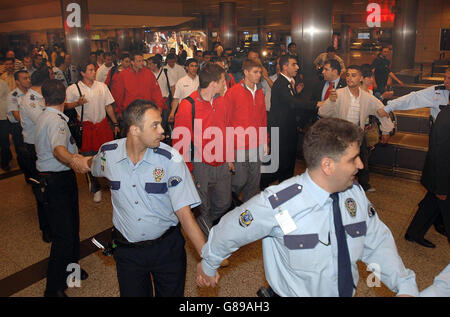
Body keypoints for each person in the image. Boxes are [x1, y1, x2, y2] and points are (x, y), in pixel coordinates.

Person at [197, 117, 419, 297]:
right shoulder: (280, 202)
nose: (361, 165)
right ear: (327, 165)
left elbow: (376, 242)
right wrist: (209, 263)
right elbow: (231, 229)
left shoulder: (355, 196)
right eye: (353, 159)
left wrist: (404, 284)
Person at [87, 99, 208, 297]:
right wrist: (72, 158)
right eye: (155, 125)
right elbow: (90, 164)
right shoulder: (108, 154)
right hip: (128, 253)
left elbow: (186, 215)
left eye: (160, 123)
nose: (162, 130)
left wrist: (207, 259)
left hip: (167, 249)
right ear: (134, 130)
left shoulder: (171, 159)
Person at [35, 79, 90, 297]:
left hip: (59, 178)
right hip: (57, 181)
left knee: (72, 228)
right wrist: (75, 161)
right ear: (64, 98)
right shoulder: (56, 121)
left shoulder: (45, 115)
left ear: (44, 98)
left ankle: (72, 271)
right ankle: (54, 287)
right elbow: (58, 149)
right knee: (64, 235)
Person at [172, 63, 232, 239]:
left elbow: (227, 128)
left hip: (221, 161)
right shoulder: (187, 105)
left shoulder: (222, 101)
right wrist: (187, 170)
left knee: (224, 202)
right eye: (223, 81)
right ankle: (209, 246)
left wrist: (229, 156)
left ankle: (201, 226)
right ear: (213, 83)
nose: (225, 85)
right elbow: (180, 143)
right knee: (202, 206)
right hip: (199, 164)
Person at [318, 65, 394, 192]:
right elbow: (322, 112)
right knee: (340, 163)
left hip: (358, 134)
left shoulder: (367, 97)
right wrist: (331, 101)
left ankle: (362, 185)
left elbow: (381, 110)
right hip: (340, 136)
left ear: (361, 78)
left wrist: (386, 130)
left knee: (361, 161)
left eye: (353, 75)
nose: (349, 78)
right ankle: (336, 187)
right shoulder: (338, 94)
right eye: (347, 75)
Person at [65, 63, 119, 203]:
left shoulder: (102, 86)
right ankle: (96, 188)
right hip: (86, 128)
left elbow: (108, 106)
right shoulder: (73, 89)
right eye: (90, 70)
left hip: (102, 127)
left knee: (107, 157)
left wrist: (115, 123)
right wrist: (77, 103)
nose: (94, 72)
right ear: (82, 73)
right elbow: (65, 105)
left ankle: (110, 185)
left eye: (94, 69)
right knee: (89, 159)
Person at [261, 54, 315, 189]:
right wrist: (316, 104)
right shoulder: (280, 84)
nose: (297, 67)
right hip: (280, 131)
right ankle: (262, 186)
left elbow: (290, 104)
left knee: (288, 163)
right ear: (285, 67)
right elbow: (292, 103)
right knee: (277, 164)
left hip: (288, 129)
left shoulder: (289, 83)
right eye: (294, 64)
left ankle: (285, 190)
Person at [404, 106, 450, 248]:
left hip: (441, 178)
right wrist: (441, 187)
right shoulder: (447, 119)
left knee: (431, 205)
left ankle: (414, 233)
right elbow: (441, 155)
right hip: (443, 179)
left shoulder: (446, 113)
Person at [225, 59, 268, 203]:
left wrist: (265, 141)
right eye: (255, 72)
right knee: (239, 181)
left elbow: (263, 119)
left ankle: (249, 212)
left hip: (256, 145)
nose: (258, 75)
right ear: (245, 72)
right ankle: (229, 206)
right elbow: (227, 124)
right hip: (239, 146)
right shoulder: (232, 93)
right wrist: (228, 152)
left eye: (260, 72)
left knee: (254, 183)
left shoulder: (260, 92)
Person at [18, 71, 51, 242]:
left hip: (44, 146)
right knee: (41, 189)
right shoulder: (30, 100)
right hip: (33, 148)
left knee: (49, 188)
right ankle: (46, 229)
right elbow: (44, 121)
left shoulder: (40, 98)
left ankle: (51, 223)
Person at [378, 67, 450, 122]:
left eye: (449, 78)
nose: (445, 81)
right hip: (440, 135)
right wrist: (388, 108)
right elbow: (414, 97)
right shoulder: (438, 91)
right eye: (445, 77)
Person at [112, 51, 166, 118]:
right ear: (132, 62)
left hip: (147, 111)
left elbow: (156, 91)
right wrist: (119, 111)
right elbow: (119, 95)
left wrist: (159, 106)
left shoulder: (149, 74)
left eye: (142, 61)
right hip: (130, 112)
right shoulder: (123, 75)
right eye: (139, 61)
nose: (142, 63)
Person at [6, 70, 31, 180]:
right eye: (25, 78)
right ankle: (29, 176)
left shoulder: (32, 93)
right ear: (17, 82)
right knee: (23, 153)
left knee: (33, 152)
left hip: (32, 126)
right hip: (19, 127)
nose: (28, 80)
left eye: (28, 77)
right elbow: (17, 115)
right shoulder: (13, 96)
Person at [169, 58, 199, 123]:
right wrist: (172, 113)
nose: (194, 68)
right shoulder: (181, 81)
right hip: (185, 112)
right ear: (187, 68)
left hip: (198, 112)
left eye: (196, 66)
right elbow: (176, 99)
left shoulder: (201, 81)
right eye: (192, 66)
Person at [0, 79, 12, 171]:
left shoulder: (2, 83)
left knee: (4, 141)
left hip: (2, 116)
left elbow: (9, 97)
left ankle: (5, 162)